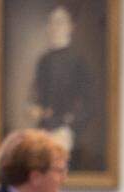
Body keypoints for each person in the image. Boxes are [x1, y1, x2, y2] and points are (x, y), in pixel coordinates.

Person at [29, 5, 95, 169]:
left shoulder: (79, 61)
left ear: (71, 27)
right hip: (44, 133)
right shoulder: (43, 61)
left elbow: (89, 104)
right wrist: (35, 108)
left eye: (59, 22)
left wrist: (68, 127)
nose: (54, 27)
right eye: (52, 23)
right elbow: (36, 95)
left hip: (68, 135)